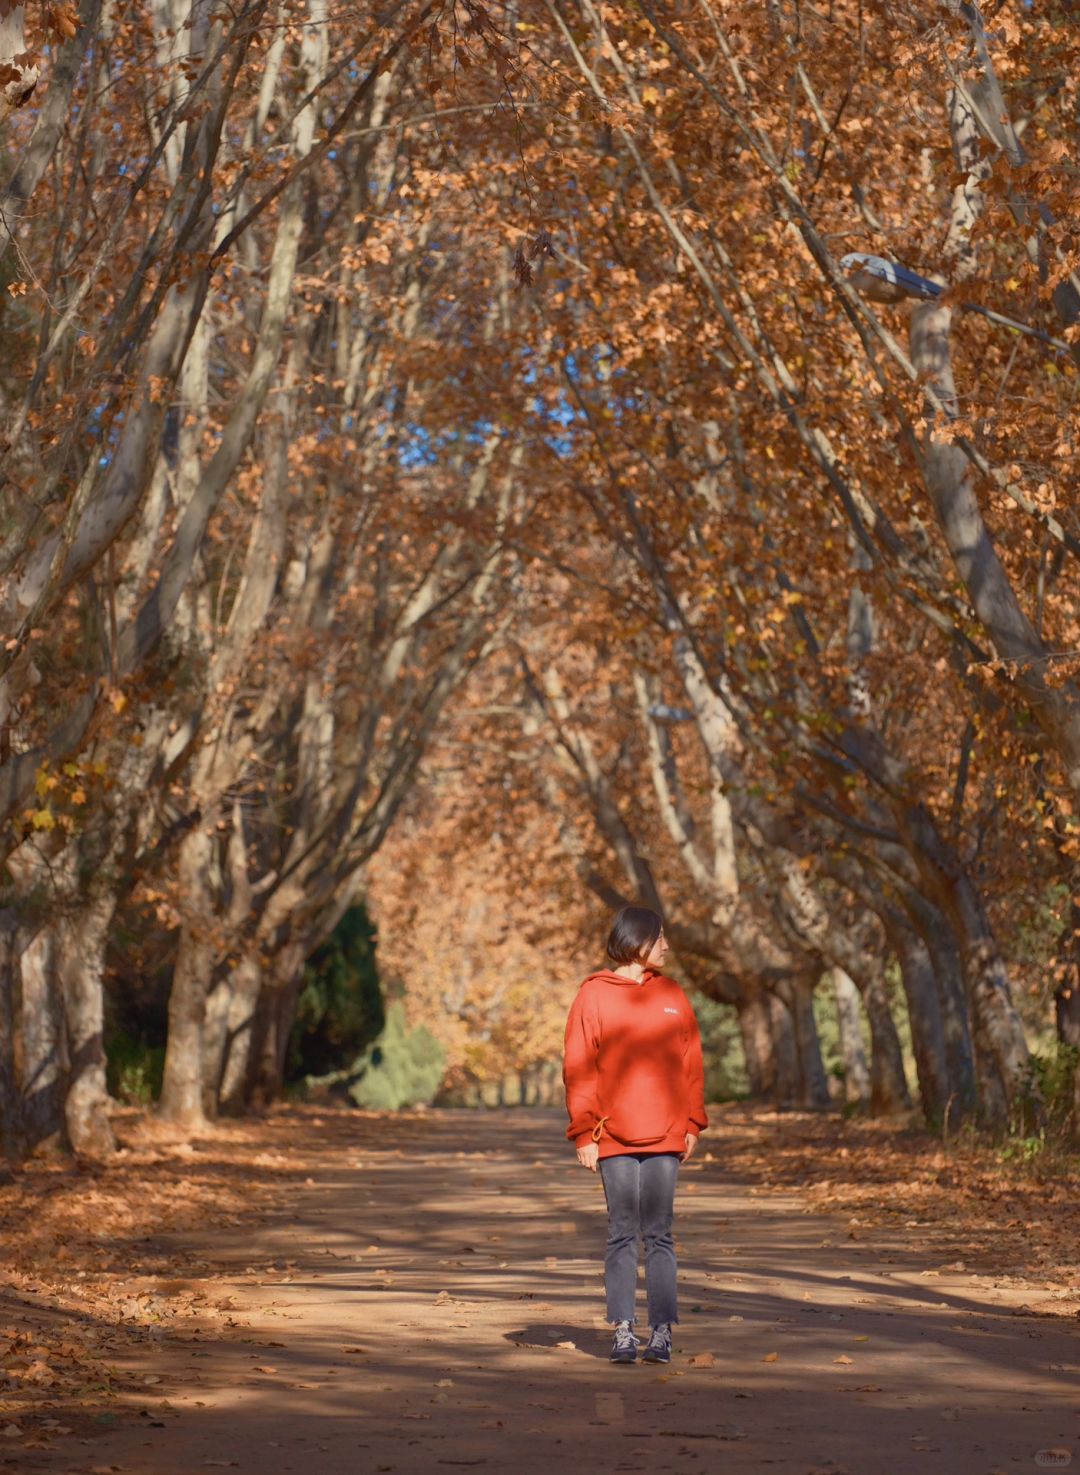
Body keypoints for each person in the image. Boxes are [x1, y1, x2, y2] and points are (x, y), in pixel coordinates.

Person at [562, 905, 707, 1365]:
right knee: (622, 1232)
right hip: (613, 1139)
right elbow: (578, 1068)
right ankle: (624, 1329)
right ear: (638, 940)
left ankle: (661, 1331)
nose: (666, 946)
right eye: (660, 937)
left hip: (666, 1135)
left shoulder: (673, 994)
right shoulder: (594, 995)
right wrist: (584, 1133)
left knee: (660, 1233)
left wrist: (692, 1123)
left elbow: (692, 1064)